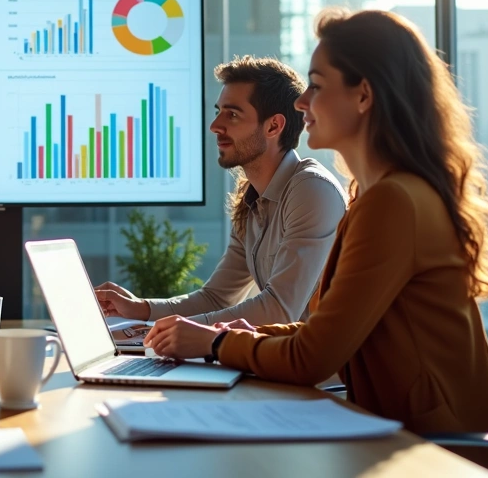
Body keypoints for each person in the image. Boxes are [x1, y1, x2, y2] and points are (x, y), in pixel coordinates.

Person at [143, 9, 488, 476]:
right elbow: (320, 331)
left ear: (364, 95)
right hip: (398, 437)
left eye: (317, 85)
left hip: (440, 455)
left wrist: (216, 343)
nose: (302, 102)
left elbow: (312, 357)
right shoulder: (373, 196)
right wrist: (232, 336)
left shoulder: (393, 202)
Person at [96, 57, 346, 326]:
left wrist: (183, 330)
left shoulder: (311, 190)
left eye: (233, 114)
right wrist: (141, 309)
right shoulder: (251, 200)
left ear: (273, 126)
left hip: (322, 354)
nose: (215, 126)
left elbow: (279, 310)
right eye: (219, 112)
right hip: (282, 351)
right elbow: (216, 298)